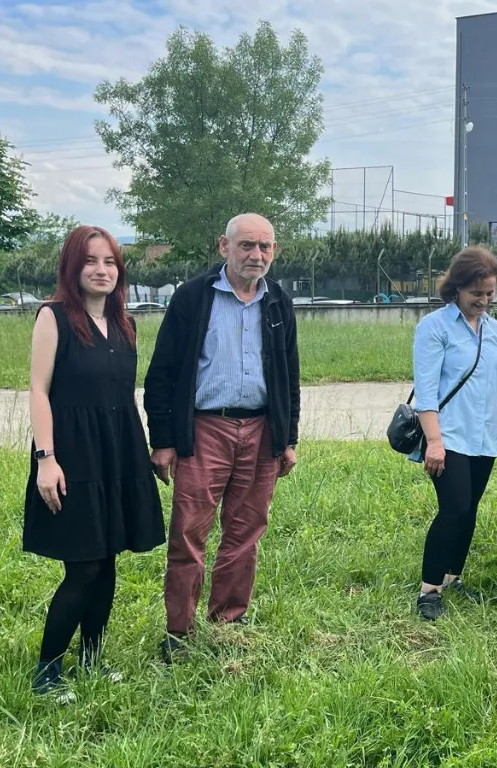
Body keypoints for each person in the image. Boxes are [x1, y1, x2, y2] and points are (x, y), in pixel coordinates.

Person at [144, 213, 301, 662]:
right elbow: (163, 373)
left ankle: (228, 620)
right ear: (223, 246)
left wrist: (288, 438)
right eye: (246, 245)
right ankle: (179, 632)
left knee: (246, 530)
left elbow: (289, 375)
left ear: (274, 251)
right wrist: (164, 439)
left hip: (261, 429)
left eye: (265, 247)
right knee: (189, 532)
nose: (256, 255)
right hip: (204, 429)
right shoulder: (193, 298)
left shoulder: (278, 302)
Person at [25, 225, 164, 696]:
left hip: (118, 451)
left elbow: (122, 395)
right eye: (90, 261)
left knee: (107, 564)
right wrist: (47, 459)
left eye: (109, 261)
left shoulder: (126, 322)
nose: (101, 270)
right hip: (71, 454)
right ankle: (47, 671)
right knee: (83, 566)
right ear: (73, 266)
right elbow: (39, 391)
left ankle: (91, 660)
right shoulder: (54, 316)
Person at [412, 247, 497, 620]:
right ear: (456, 288)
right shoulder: (434, 327)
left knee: (469, 512)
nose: (484, 301)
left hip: (484, 438)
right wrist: (435, 442)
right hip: (448, 437)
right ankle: (429, 591)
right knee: (453, 510)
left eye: (490, 293)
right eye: (477, 294)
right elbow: (426, 391)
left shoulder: (493, 329)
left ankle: (454, 577)